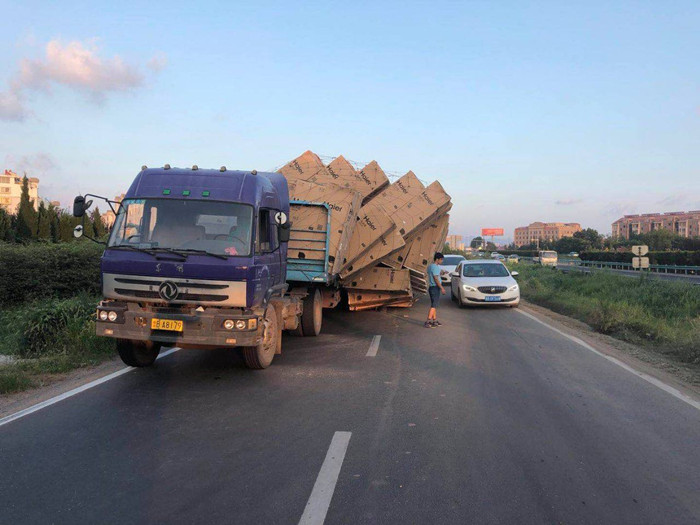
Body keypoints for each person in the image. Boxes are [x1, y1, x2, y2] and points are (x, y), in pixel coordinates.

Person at [425, 252, 446, 328]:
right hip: (435, 287)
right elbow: (436, 278)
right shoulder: (435, 267)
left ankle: (434, 321)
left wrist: (442, 273)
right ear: (437, 259)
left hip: (431, 287)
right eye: (441, 259)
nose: (442, 261)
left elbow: (433, 275)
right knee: (434, 305)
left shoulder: (430, 266)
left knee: (434, 304)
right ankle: (428, 321)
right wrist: (442, 288)